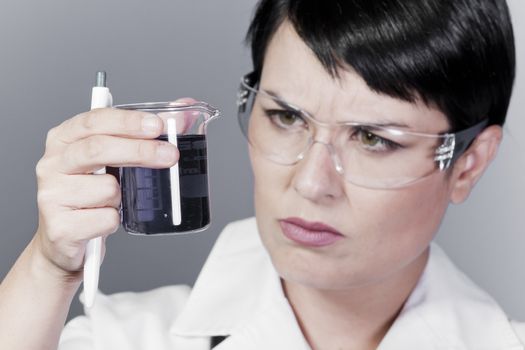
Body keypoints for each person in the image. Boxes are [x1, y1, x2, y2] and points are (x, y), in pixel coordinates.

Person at [0, 0, 523, 349]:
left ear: (468, 164)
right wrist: (49, 270)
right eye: (287, 117)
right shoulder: (132, 338)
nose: (311, 183)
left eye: (372, 138)